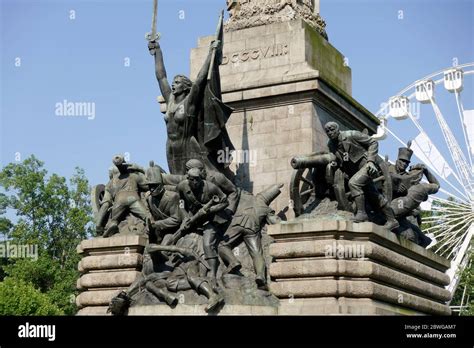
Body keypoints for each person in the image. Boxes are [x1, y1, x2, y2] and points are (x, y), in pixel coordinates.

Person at [148, 39, 221, 175]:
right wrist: (157, 52)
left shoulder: (189, 102)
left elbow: (199, 80)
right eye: (173, 83)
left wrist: (211, 53)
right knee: (176, 181)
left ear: (185, 86)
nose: (173, 85)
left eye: (177, 83)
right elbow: (161, 77)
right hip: (171, 146)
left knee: (192, 178)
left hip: (188, 145)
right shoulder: (170, 100)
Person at [324, 122, 399, 230]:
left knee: (353, 183)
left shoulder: (352, 134)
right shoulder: (331, 144)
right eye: (327, 131)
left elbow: (373, 142)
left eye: (332, 129)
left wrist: (370, 161)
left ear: (338, 128)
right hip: (354, 171)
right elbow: (339, 158)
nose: (330, 133)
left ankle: (361, 213)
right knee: (373, 194)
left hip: (367, 166)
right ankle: (392, 220)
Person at [218, 184, 282, 289]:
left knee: (222, 245)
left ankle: (233, 262)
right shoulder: (266, 209)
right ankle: (261, 276)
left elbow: (232, 192)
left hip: (237, 224)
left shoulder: (245, 195)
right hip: (252, 229)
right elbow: (276, 222)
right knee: (257, 253)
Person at [176, 167, 229, 282]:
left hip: (212, 219)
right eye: (192, 180)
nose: (195, 182)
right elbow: (180, 204)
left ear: (201, 179)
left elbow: (225, 201)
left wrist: (211, 210)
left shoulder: (211, 187)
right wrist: (185, 217)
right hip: (194, 219)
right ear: (187, 178)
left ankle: (213, 274)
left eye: (197, 179)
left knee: (207, 244)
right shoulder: (182, 187)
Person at [101, 155, 151, 237]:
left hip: (119, 201)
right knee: (146, 216)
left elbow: (105, 205)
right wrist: (141, 170)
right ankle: (149, 224)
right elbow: (147, 186)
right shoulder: (133, 176)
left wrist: (98, 227)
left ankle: (113, 224)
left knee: (113, 220)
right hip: (133, 198)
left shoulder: (110, 184)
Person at [145, 162, 182, 244]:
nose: (152, 189)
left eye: (154, 186)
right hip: (158, 232)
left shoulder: (173, 197)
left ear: (160, 185)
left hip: (173, 231)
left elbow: (176, 219)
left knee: (163, 248)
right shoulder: (150, 199)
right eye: (150, 186)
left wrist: (157, 224)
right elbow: (150, 214)